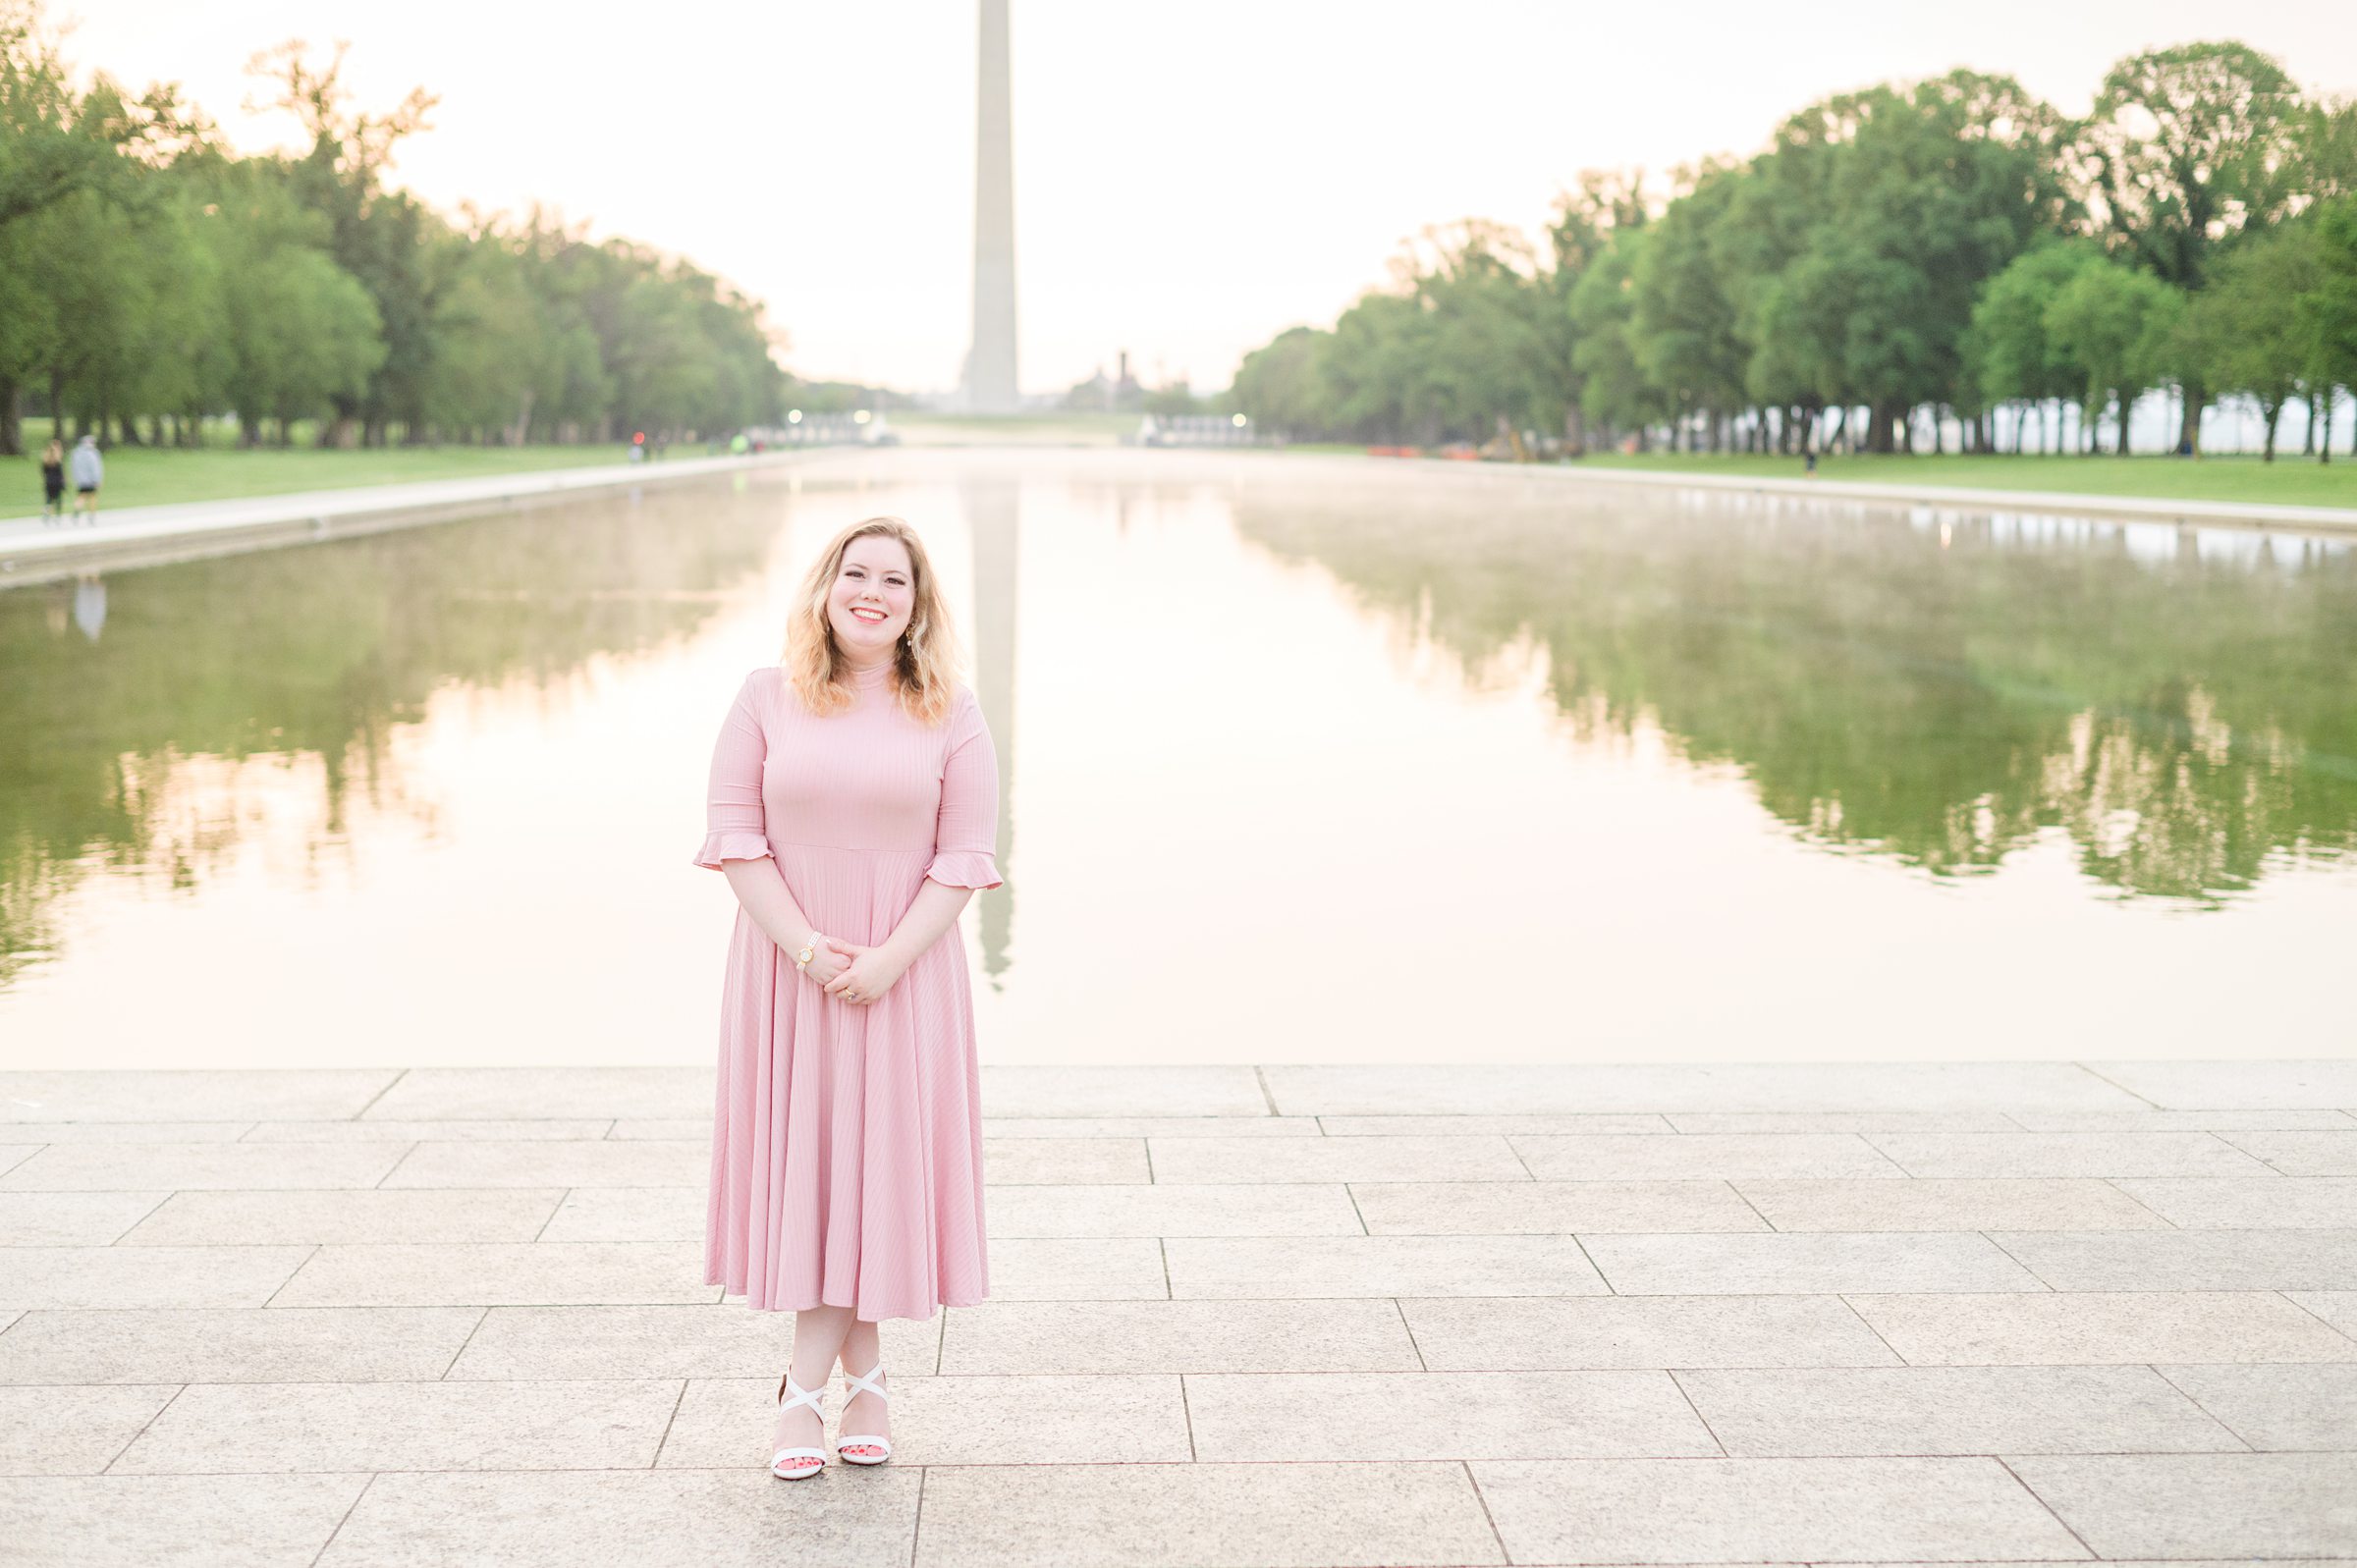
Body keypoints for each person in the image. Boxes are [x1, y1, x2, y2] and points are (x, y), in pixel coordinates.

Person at [694, 515, 1001, 1481]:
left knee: (872, 1167)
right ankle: (859, 1378)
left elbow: (966, 857)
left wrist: (887, 960)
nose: (874, 592)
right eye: (856, 573)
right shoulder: (763, 698)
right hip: (789, 971)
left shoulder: (952, 708)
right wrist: (810, 949)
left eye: (895, 582)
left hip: (907, 974)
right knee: (820, 1169)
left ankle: (804, 1389)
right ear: (826, 587)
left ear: (917, 607)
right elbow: (734, 835)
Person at [68, 434, 103, 523]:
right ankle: (92, 515)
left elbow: (73, 467)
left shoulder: (76, 453)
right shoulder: (92, 453)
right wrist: (97, 480)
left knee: (81, 496)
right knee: (92, 497)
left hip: (80, 480)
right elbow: (95, 468)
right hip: (91, 480)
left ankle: (76, 511)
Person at [39, 438, 66, 521]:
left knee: (48, 499)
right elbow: (61, 473)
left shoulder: (46, 460)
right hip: (57, 482)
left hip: (48, 481)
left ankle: (47, 514)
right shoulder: (58, 461)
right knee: (58, 499)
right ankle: (57, 516)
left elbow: (43, 472)